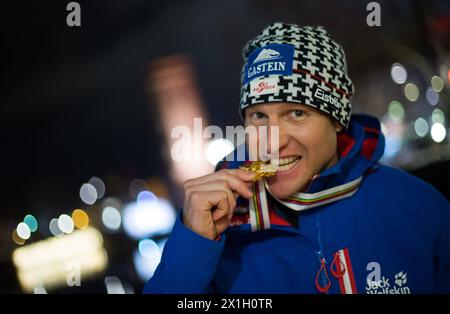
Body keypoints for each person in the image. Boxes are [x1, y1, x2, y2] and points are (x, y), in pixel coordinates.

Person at [143, 23, 450, 294]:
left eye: (297, 113)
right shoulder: (218, 233)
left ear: (336, 119)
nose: (273, 142)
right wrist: (194, 245)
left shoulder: (417, 207)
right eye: (259, 116)